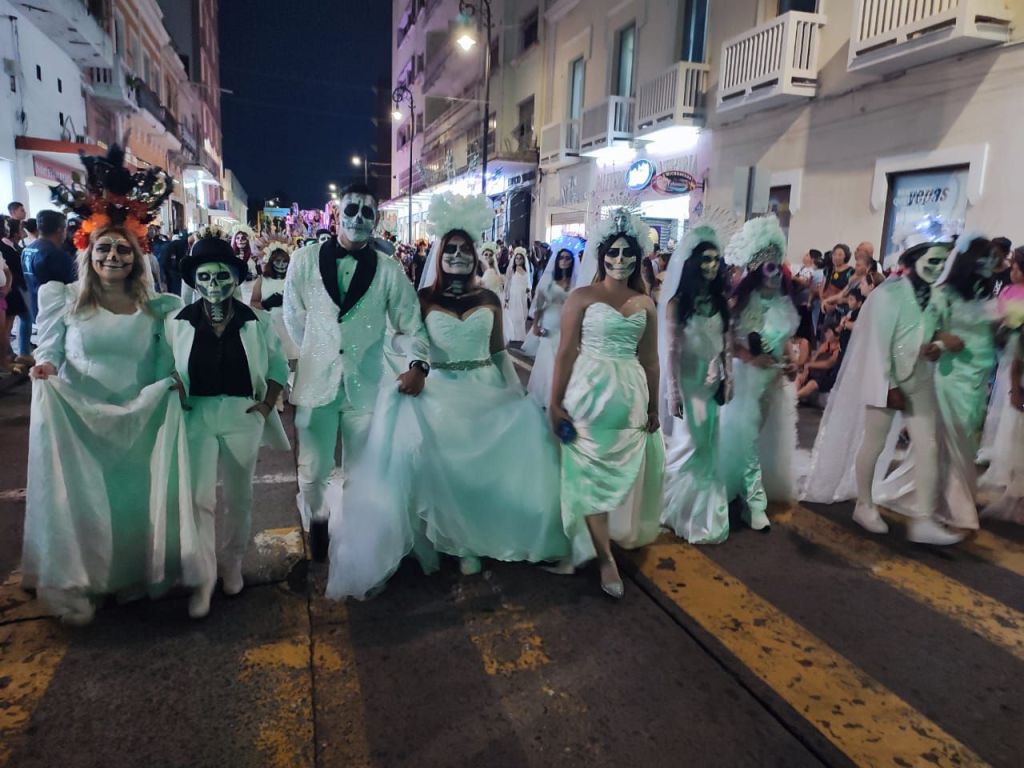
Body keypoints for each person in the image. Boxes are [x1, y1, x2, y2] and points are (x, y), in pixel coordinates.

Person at [326, 194, 568, 598]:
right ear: (439, 255)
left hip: (485, 391)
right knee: (436, 464)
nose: (457, 255)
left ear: (475, 256)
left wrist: (518, 393)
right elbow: (405, 336)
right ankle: (450, 541)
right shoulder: (423, 299)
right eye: (450, 249)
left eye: (465, 250)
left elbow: (498, 352)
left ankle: (475, 537)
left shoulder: (489, 299)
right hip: (439, 393)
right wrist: (411, 365)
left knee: (492, 466)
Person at [23, 146, 197, 625]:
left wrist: (171, 386)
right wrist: (45, 367)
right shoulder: (64, 300)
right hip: (83, 420)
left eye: (122, 249)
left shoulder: (155, 308)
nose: (113, 256)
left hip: (137, 419)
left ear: (136, 257)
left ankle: (131, 575)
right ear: (89, 252)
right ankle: (91, 578)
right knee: (85, 502)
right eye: (104, 248)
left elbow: (164, 359)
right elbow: (50, 348)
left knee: (131, 501)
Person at [283, 183, 430, 561]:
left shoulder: (389, 270)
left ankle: (352, 535)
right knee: (312, 469)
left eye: (368, 212)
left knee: (360, 470)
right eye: (352, 210)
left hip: (365, 387)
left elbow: (410, 324)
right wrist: (319, 351)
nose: (359, 218)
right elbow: (294, 317)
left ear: (377, 220)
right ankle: (317, 520)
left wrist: (418, 364)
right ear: (337, 214)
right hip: (315, 383)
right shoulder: (303, 261)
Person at [802, 239, 965, 545]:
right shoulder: (889, 295)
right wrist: (888, 387)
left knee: (928, 446)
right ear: (913, 262)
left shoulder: (937, 297)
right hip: (886, 380)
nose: (938, 268)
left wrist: (940, 345)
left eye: (942, 263)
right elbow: (876, 345)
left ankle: (923, 519)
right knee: (874, 443)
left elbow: (934, 331)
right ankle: (864, 505)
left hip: (919, 380)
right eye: (932, 261)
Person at [165, 231, 291, 618]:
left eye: (222, 275)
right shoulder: (177, 322)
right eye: (204, 276)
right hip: (196, 414)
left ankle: (232, 562)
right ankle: (203, 575)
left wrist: (266, 406)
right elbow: (165, 365)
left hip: (242, 413)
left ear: (235, 277)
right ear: (194, 280)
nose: (214, 283)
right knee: (199, 497)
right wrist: (173, 389)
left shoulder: (257, 321)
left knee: (240, 496)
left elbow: (278, 365)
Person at [550, 210, 664, 598]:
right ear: (601, 256)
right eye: (613, 252)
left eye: (627, 252)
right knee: (587, 472)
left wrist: (653, 407)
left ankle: (604, 539)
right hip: (587, 393)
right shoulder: (581, 297)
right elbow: (565, 352)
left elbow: (651, 360)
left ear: (638, 257)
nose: (620, 258)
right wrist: (555, 403)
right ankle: (604, 558)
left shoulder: (645, 303)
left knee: (620, 470)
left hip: (629, 396)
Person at [872, 234, 995, 533]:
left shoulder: (986, 294)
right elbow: (927, 331)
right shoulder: (944, 294)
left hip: (978, 375)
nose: (992, 263)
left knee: (966, 438)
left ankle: (943, 500)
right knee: (950, 438)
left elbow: (988, 335)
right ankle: (952, 507)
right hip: (951, 374)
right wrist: (941, 343)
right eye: (986, 257)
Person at [718, 215, 800, 532]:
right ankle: (754, 503)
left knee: (754, 440)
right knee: (748, 440)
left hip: (772, 384)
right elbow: (726, 344)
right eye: (768, 266)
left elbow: (786, 343)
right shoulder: (738, 304)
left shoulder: (783, 304)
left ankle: (741, 490)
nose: (774, 273)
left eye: (777, 266)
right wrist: (750, 357)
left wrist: (791, 363)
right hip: (744, 383)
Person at [659, 223, 733, 544]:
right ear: (692, 263)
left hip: (713, 381)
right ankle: (682, 511)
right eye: (705, 259)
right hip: (689, 383)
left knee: (710, 443)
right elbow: (672, 350)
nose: (711, 265)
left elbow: (726, 344)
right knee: (693, 443)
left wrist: (728, 376)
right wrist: (673, 390)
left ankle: (700, 512)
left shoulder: (721, 301)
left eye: (716, 259)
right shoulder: (677, 304)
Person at [980, 246, 1024, 470]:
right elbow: (997, 315)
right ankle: (995, 447)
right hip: (1005, 348)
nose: (1012, 272)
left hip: (1019, 351)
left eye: (1016, 268)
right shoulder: (1007, 290)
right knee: (1001, 396)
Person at [526, 248, 578, 407]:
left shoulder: (576, 283)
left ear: (572, 262)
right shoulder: (548, 282)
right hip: (549, 324)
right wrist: (535, 324)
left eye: (568, 258)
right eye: (561, 258)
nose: (564, 261)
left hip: (567, 326)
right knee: (548, 361)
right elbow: (539, 305)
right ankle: (544, 396)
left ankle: (560, 398)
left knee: (564, 361)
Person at [251, 238, 299, 368]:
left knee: (293, 366)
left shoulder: (294, 280)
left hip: (291, 329)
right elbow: (253, 303)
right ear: (271, 262)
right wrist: (266, 304)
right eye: (278, 261)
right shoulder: (263, 280)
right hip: (271, 329)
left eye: (285, 261)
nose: (281, 265)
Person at [0, 216, 31, 371]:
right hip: (10, 291)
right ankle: (9, 358)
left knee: (6, 327)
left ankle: (8, 358)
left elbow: (6, 269)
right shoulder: (4, 246)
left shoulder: (7, 246)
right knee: (6, 327)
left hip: (9, 289)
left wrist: (8, 284)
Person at [502, 246, 532, 344]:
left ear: (524, 260)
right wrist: (506, 296)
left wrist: (528, 290)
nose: (518, 260)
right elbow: (507, 283)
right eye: (517, 258)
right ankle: (512, 335)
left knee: (522, 315)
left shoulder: (526, 270)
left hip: (523, 296)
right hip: (514, 295)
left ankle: (520, 336)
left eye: (520, 258)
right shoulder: (512, 270)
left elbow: (528, 283)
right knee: (514, 316)